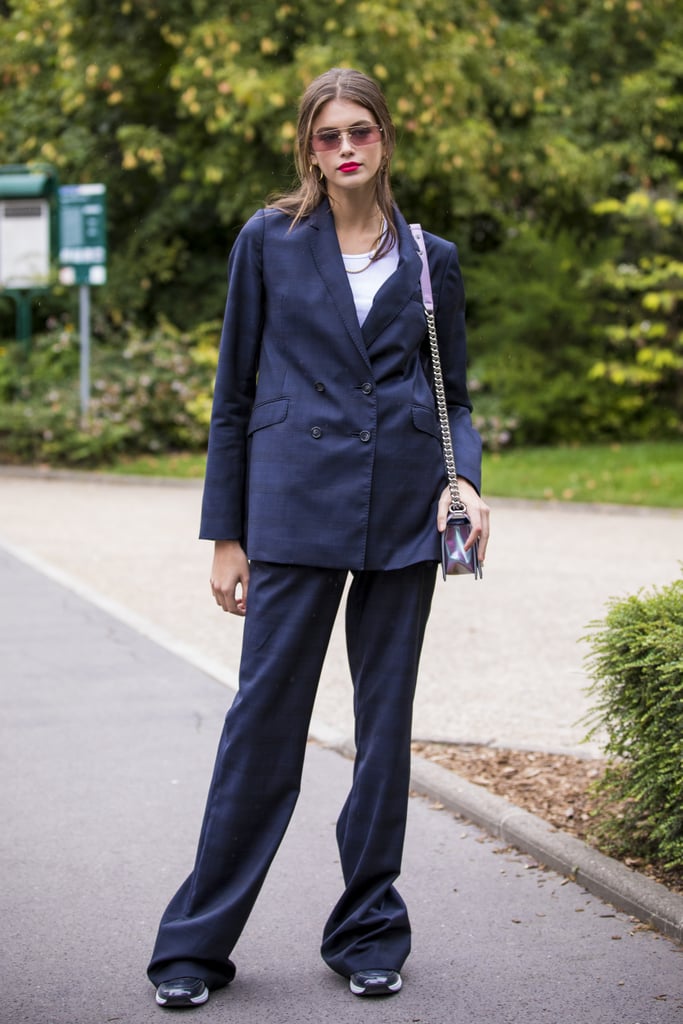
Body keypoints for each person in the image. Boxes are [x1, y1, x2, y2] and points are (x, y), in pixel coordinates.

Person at [147, 66, 490, 1008]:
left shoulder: (430, 258)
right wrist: (227, 534)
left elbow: (451, 391)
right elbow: (235, 395)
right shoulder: (268, 242)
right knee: (262, 724)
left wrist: (464, 476)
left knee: (383, 735)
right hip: (291, 512)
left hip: (405, 516)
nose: (346, 148)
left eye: (361, 132)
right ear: (309, 147)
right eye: (328, 135)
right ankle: (194, 942)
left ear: (385, 140)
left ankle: (368, 930)